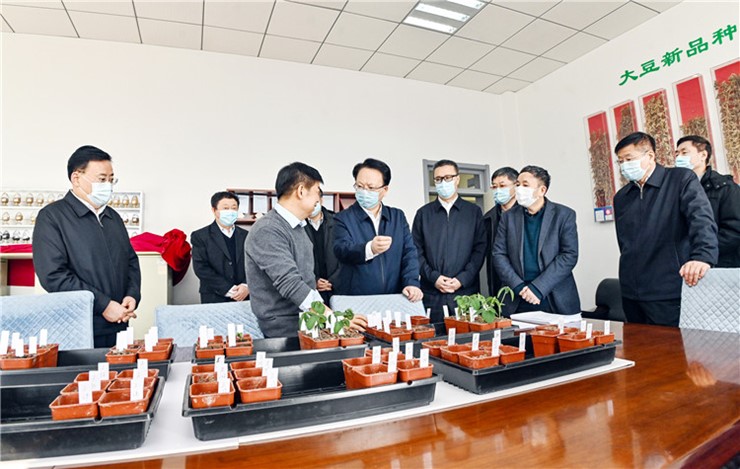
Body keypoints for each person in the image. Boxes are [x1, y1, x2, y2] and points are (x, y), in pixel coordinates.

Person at [33, 145, 141, 347]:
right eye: (102, 179)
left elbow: (130, 261)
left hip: (119, 322)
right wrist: (103, 305)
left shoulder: (112, 217)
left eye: (111, 179)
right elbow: (53, 275)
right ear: (76, 178)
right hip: (80, 327)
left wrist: (132, 295)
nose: (108, 185)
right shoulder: (53, 217)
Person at [245, 162, 366, 337]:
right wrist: (333, 319)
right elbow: (291, 284)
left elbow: (307, 283)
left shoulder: (298, 227)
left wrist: (332, 315)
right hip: (284, 328)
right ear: (301, 191)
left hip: (307, 321)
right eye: (317, 191)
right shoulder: (268, 229)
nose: (319, 198)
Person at [613, 132, 718, 326]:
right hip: (631, 292)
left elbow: (701, 219)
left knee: (671, 344)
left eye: (629, 159)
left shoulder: (680, 179)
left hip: (668, 290)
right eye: (620, 161)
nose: (624, 165)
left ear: (650, 156)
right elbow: (623, 242)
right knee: (637, 343)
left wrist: (703, 257)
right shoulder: (622, 197)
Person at [492, 165, 580, 316]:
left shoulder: (564, 215)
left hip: (553, 296)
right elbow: (499, 254)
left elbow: (569, 255)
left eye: (525, 185)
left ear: (542, 190)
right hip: (517, 296)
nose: (519, 189)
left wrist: (538, 287)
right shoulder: (508, 217)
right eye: (518, 184)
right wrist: (518, 286)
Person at [333, 158, 422, 303]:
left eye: (371, 187)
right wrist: (370, 249)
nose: (364, 191)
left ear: (384, 190)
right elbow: (341, 250)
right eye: (359, 186)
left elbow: (409, 253)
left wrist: (411, 282)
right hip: (357, 300)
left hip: (394, 298)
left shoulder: (397, 217)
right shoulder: (342, 218)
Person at [412, 160, 486, 323]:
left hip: (465, 293)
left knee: (467, 336)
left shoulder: (473, 212)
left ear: (457, 179)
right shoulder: (423, 214)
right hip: (432, 294)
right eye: (438, 179)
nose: (442, 182)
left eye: (447, 178)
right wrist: (434, 278)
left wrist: (462, 279)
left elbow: (480, 250)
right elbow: (415, 251)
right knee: (433, 336)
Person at [675, 135, 740, 267]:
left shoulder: (725, 187)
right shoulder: (675, 188)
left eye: (684, 152)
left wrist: (703, 252)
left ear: (703, 155)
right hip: (682, 264)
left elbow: (734, 230)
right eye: (677, 154)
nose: (678, 158)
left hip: (719, 264)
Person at [191, 191, 249, 304]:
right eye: (225, 208)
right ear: (214, 210)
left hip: (244, 296)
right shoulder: (200, 236)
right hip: (213, 296)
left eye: (234, 208)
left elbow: (254, 264)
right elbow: (201, 268)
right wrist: (228, 289)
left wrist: (246, 285)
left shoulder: (247, 235)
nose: (230, 211)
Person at [482, 167, 519, 296]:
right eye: (494, 187)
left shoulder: (527, 213)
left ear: (516, 186)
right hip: (498, 279)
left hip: (523, 281)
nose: (498, 190)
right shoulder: (488, 218)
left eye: (502, 186)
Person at [304, 190, 342, 304]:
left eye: (315, 201)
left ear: (321, 200)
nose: (311, 205)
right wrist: (313, 281)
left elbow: (346, 255)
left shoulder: (338, 222)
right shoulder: (298, 225)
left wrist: (333, 281)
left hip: (337, 287)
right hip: (309, 289)